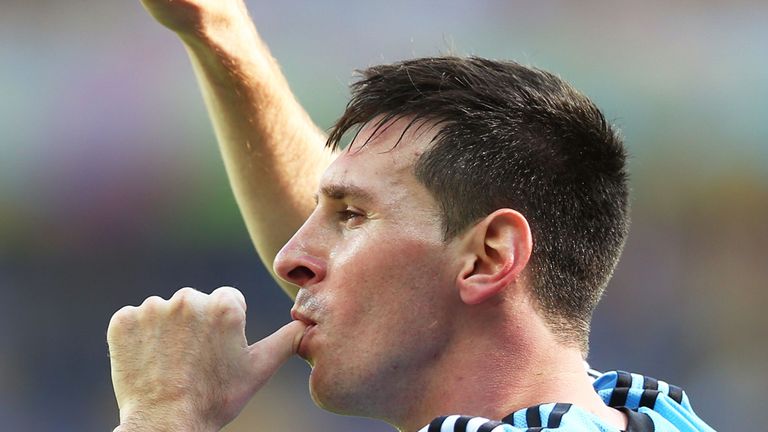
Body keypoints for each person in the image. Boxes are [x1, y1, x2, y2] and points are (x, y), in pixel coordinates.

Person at [106, 1, 716, 431]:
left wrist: (163, 413)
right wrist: (219, 29)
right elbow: (410, 252)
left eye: (350, 217)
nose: (288, 258)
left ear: (490, 256)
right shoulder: (647, 413)